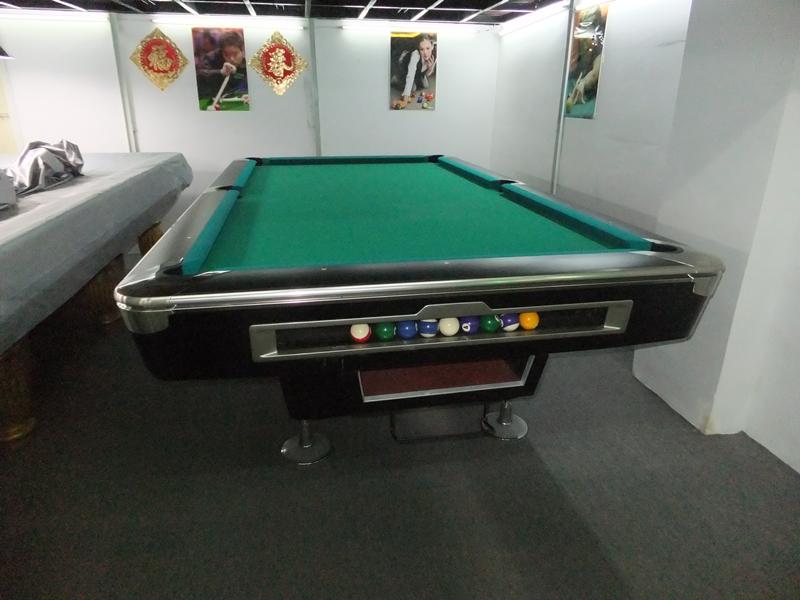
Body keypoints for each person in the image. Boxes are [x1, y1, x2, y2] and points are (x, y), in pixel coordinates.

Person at [566, 5, 608, 110]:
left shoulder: (598, 46)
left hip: (587, 98)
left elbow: (595, 71)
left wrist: (583, 83)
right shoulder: (575, 46)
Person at [195, 30, 249, 101]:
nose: (231, 59)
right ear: (221, 51)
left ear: (242, 50)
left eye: (235, 54)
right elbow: (198, 74)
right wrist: (220, 72)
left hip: (237, 99)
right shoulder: (211, 58)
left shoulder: (250, 60)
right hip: (212, 99)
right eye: (226, 54)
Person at [390, 34, 437, 109]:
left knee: (425, 85)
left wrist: (430, 68)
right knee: (413, 88)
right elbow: (410, 75)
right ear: (418, 49)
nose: (425, 53)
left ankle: (411, 82)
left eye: (428, 48)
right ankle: (396, 79)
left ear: (432, 46)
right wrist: (405, 100)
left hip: (418, 71)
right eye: (422, 49)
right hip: (404, 67)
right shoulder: (415, 55)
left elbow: (427, 74)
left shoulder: (434, 55)